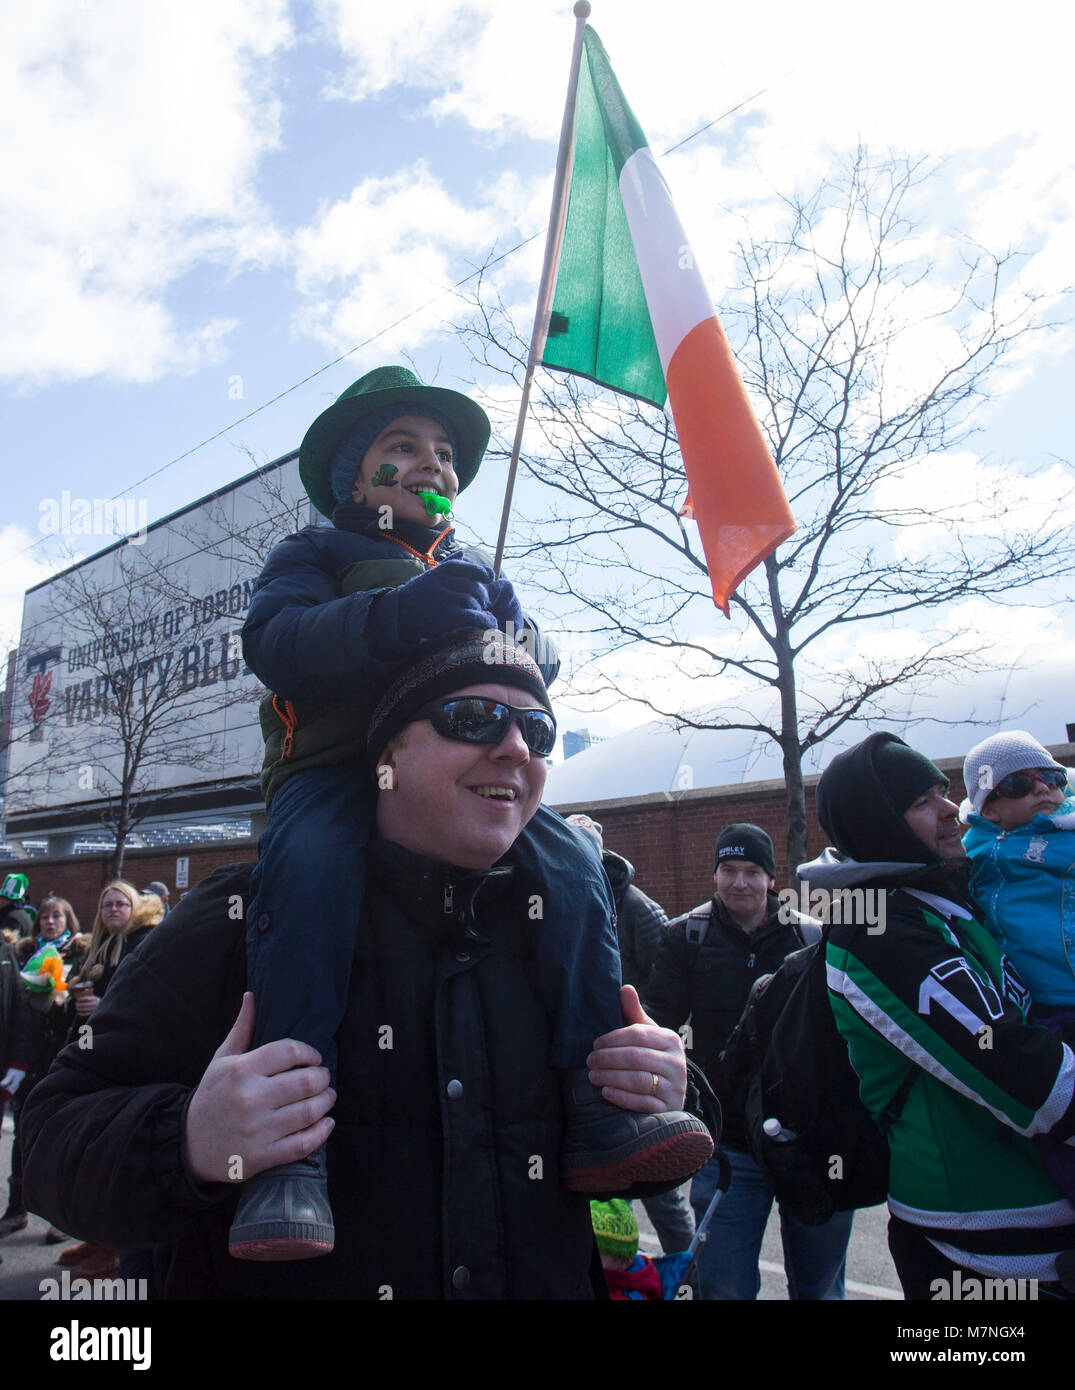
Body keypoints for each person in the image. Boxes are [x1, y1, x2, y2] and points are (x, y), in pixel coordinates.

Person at [21, 632, 711, 1299]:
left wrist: (663, 1090)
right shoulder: (244, 919)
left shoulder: (565, 928)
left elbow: (632, 1160)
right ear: (386, 752)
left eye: (537, 732)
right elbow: (49, 1146)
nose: (512, 748)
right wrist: (190, 1141)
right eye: (473, 718)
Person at [235, 365, 685, 1259]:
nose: (431, 465)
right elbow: (279, 645)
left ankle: (603, 1107)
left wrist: (521, 642)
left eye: (443, 453)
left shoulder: (477, 570)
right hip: (333, 768)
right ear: (355, 480)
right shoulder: (313, 556)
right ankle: (289, 1150)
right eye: (402, 448)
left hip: (458, 771)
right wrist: (400, 614)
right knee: (312, 872)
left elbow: (534, 667)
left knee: (569, 867)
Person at [805, 730, 1075, 1298]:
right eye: (922, 802)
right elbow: (1023, 1073)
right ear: (879, 822)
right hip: (980, 1243)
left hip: (1040, 1221)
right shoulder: (876, 927)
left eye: (943, 791)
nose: (953, 809)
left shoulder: (957, 899)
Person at [645, 822, 853, 1300]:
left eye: (752, 871)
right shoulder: (685, 937)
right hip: (728, 1146)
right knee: (724, 1287)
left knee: (820, 1289)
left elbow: (843, 1030)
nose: (740, 882)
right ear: (715, 874)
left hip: (810, 1141)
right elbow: (660, 1027)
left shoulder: (810, 936)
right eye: (728, 870)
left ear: (771, 879)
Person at [566, 812, 694, 1256]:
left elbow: (668, 982)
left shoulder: (637, 908)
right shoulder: (558, 899)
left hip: (633, 1049)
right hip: (588, 1060)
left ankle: (684, 1265)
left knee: (658, 1180)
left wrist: (643, 1032)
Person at [52, 881, 163, 1277]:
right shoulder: (99, 947)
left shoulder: (145, 943)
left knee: (118, 1159)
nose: (113, 910)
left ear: (136, 908)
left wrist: (106, 1006)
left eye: (121, 903)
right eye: (107, 904)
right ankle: (98, 1236)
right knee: (92, 1155)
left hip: (128, 1067)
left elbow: (152, 1003)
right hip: (95, 1062)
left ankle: (115, 1249)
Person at [0, 895, 84, 1241]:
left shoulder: (78, 954)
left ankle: (60, 1214)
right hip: (28, 1054)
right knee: (23, 1133)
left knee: (61, 1132)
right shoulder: (20, 953)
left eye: (58, 917)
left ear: (69, 921)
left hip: (63, 1052)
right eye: (46, 917)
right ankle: (17, 1207)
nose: (50, 922)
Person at [0, 873, 34, 940]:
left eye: (1, 898)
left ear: (6, 899)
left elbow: (6, 946)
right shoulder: (21, 914)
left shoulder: (12, 919)